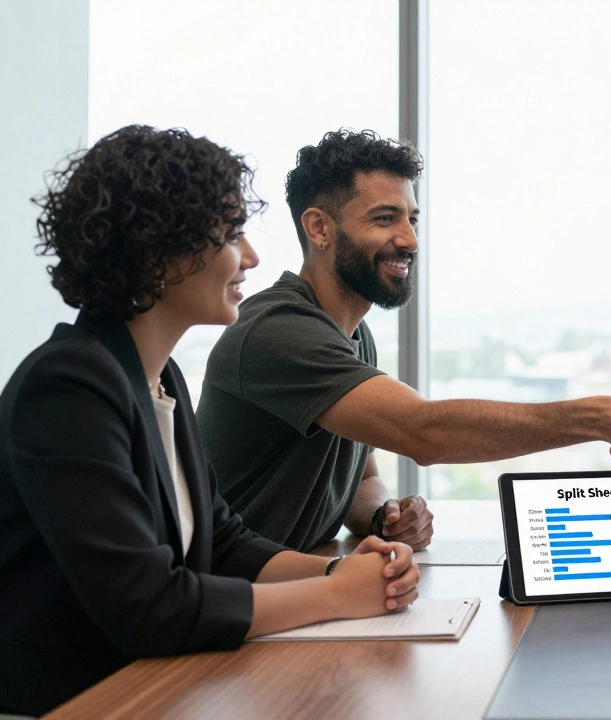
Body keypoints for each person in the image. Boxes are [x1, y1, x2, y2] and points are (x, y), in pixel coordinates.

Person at [0, 126, 421, 717]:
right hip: (77, 702)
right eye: (229, 235)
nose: (249, 257)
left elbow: (222, 542)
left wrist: (340, 568)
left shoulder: (158, 375)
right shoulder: (67, 386)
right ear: (156, 253)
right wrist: (332, 594)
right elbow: (151, 606)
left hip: (158, 686)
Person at [197, 129, 611, 552]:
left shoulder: (352, 335)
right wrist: (598, 418)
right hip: (230, 606)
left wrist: (384, 515)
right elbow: (423, 432)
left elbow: (358, 478)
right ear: (319, 228)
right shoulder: (279, 331)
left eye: (412, 219)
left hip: (288, 592)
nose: (410, 240)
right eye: (384, 218)